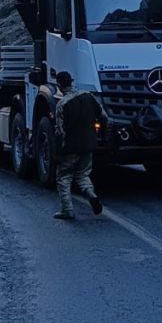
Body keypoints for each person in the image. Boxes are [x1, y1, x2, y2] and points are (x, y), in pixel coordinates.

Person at [52, 70, 105, 221]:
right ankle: (92, 195)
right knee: (83, 174)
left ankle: (67, 210)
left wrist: (57, 152)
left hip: (71, 147)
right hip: (88, 144)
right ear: (72, 81)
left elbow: (60, 132)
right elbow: (103, 116)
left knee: (64, 177)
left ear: (59, 85)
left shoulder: (62, 104)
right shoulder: (88, 96)